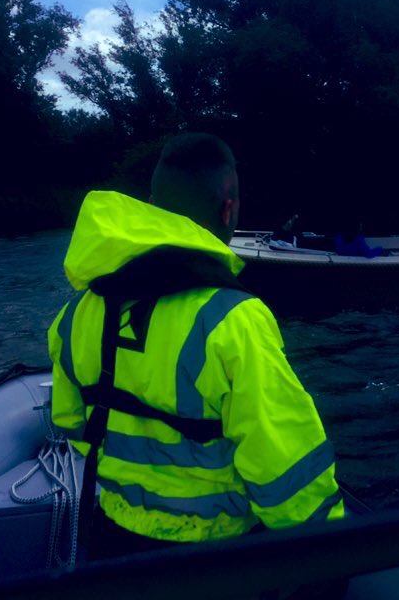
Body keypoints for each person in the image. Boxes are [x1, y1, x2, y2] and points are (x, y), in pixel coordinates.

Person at [47, 133, 344, 560]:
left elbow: (73, 424)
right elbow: (284, 470)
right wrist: (328, 552)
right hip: (214, 555)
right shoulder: (234, 320)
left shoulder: (74, 316)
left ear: (152, 204)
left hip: (113, 543)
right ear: (229, 209)